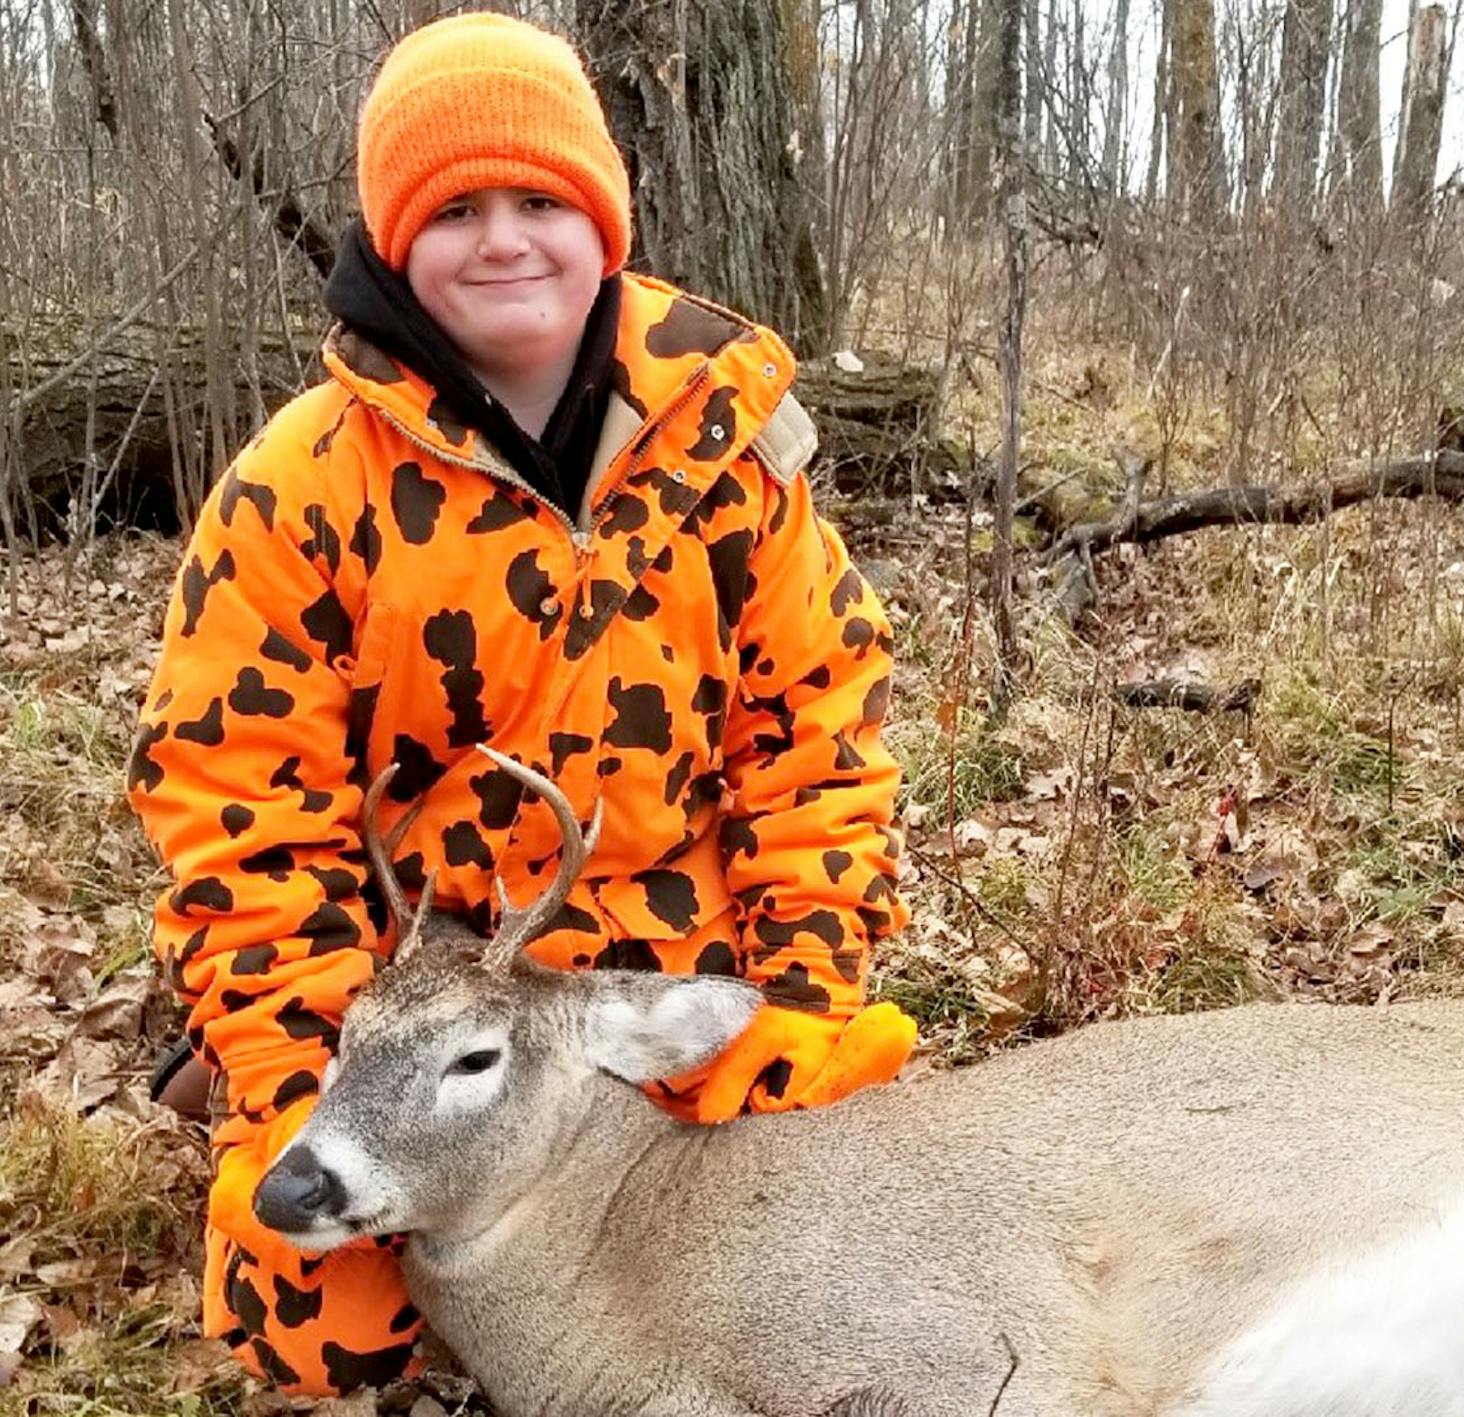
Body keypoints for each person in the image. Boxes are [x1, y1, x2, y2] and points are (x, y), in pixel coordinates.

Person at [126, 11, 915, 1396]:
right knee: (320, 1327)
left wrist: (801, 994)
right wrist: (293, 1071)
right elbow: (237, 820)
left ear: (600, 223)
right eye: (457, 209)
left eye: (540, 200)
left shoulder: (725, 450)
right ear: (392, 244)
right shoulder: (301, 486)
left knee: (829, 1243)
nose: (504, 240)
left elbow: (819, 742)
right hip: (408, 989)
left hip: (652, 968)